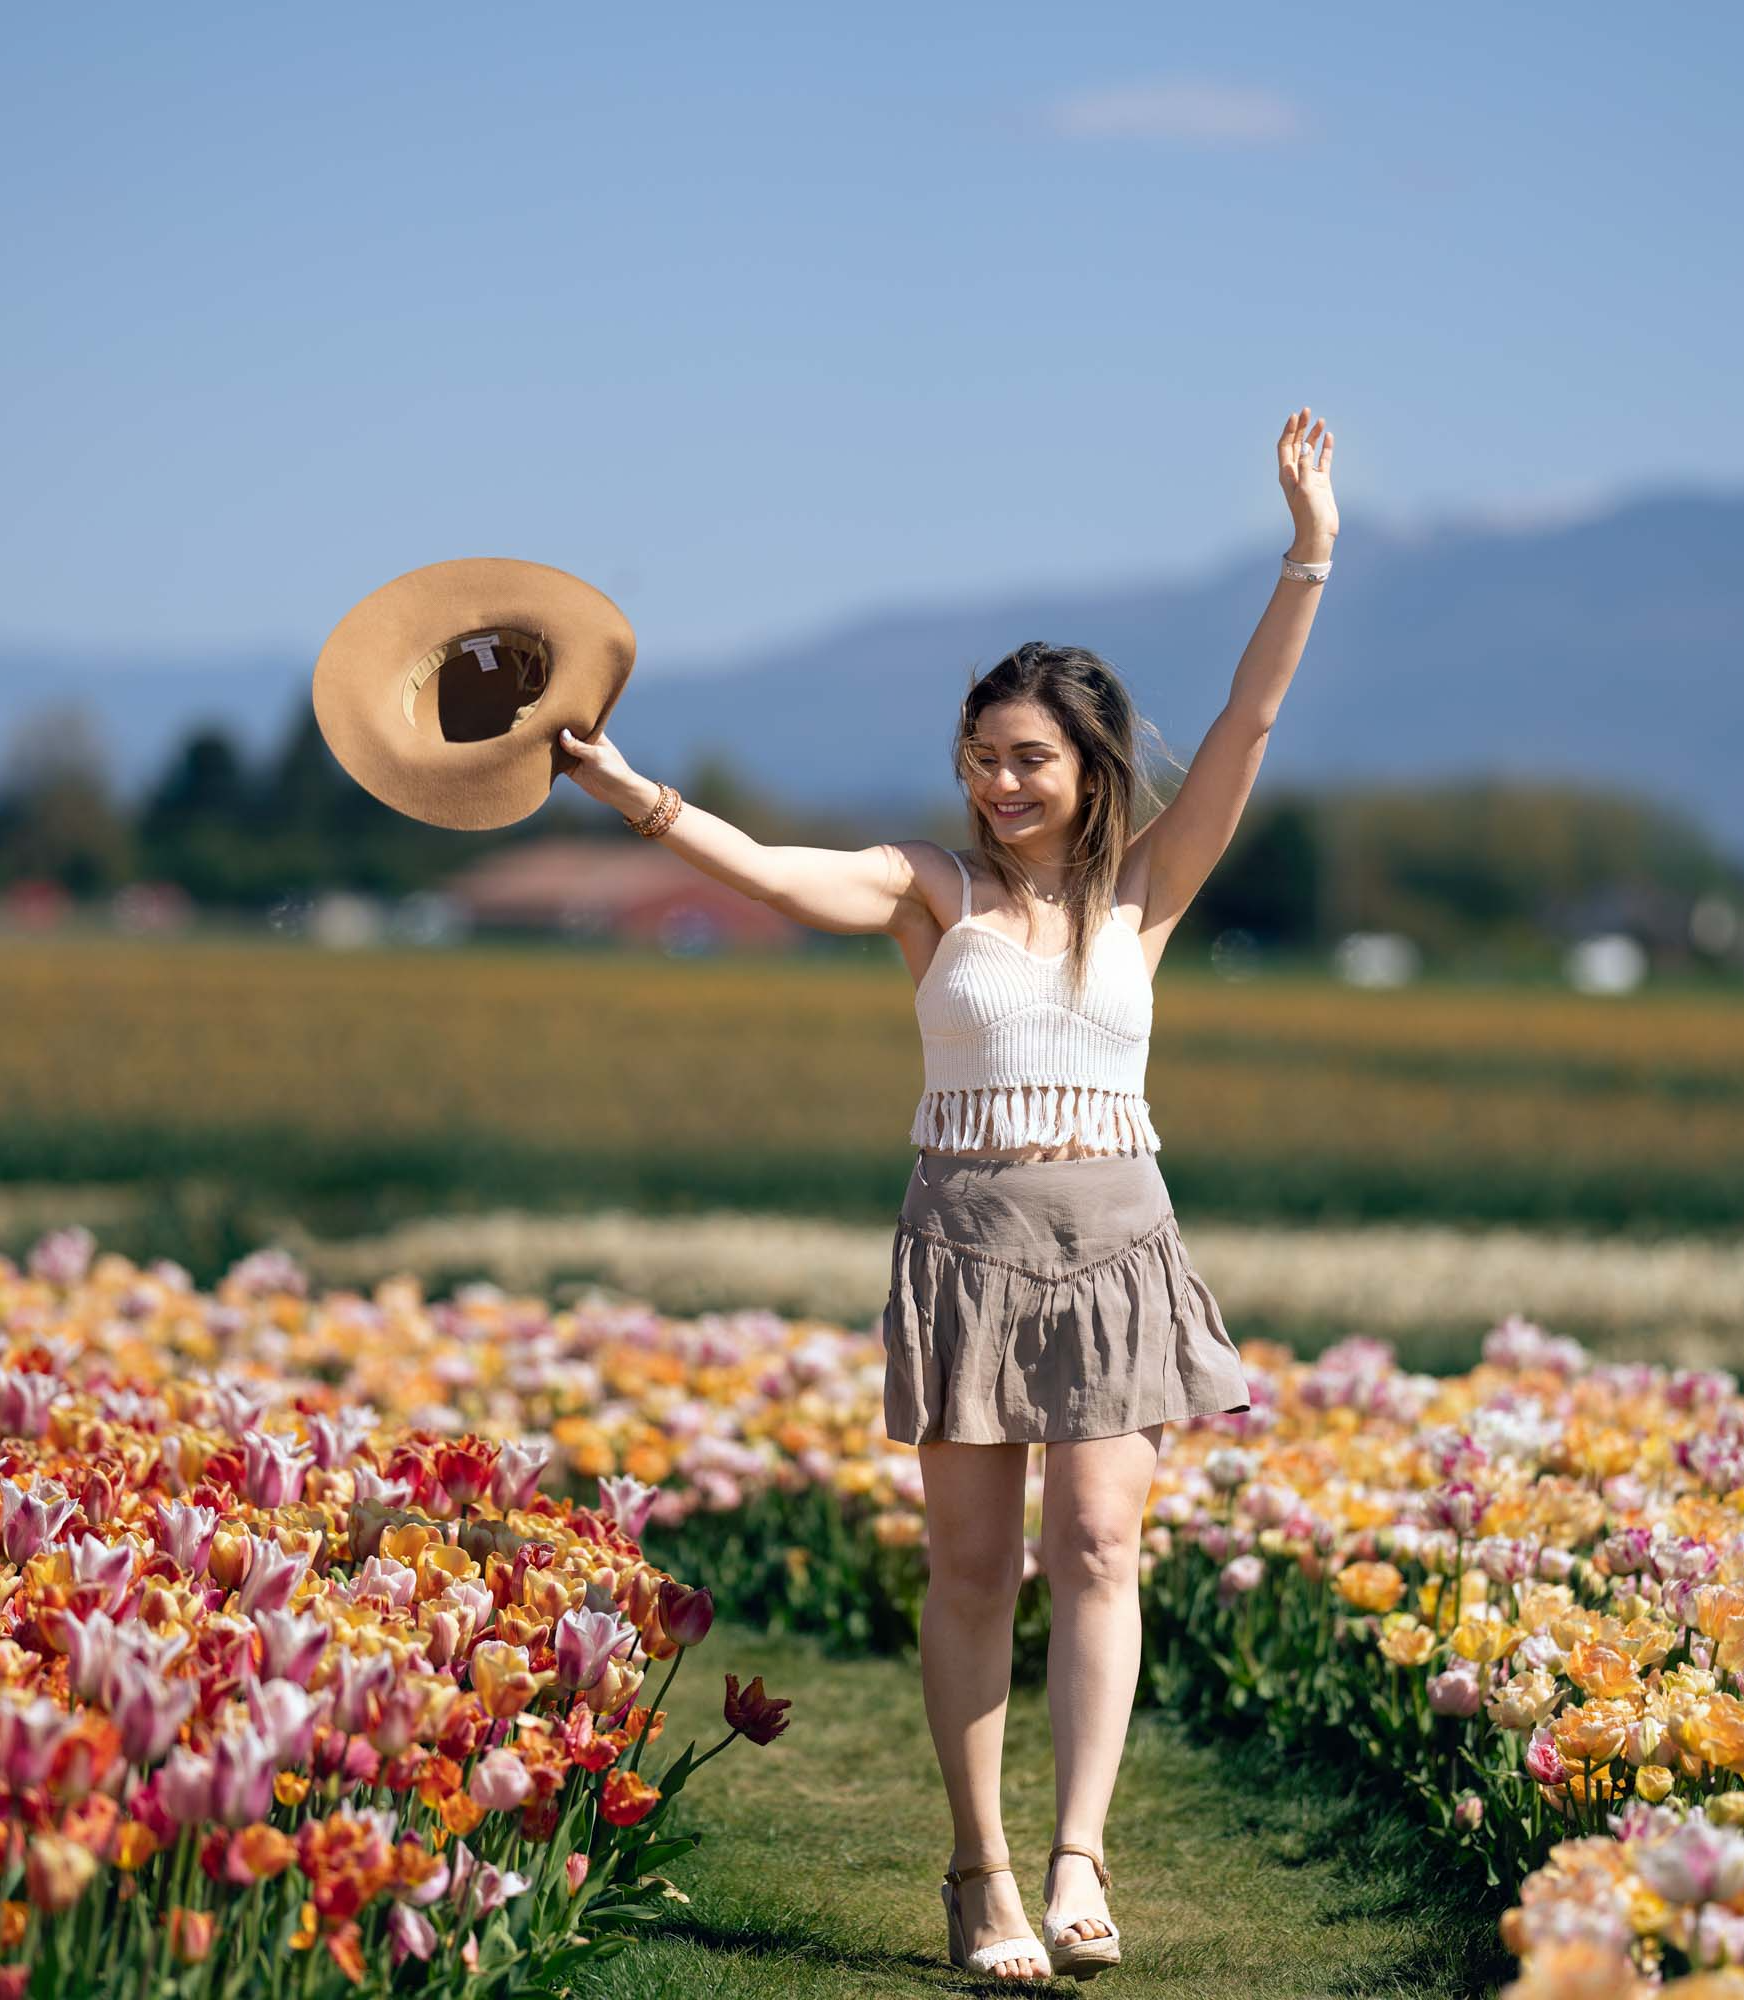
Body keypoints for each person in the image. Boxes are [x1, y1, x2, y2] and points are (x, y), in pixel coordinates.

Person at [556, 408, 1339, 1983]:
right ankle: (980, 1873)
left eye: (1028, 758)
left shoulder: (1147, 895)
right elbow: (777, 873)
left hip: (1119, 1238)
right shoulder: (933, 891)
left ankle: (1079, 1865)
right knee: (974, 1569)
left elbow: (1247, 728)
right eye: (980, 757)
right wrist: (631, 790)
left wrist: (1309, 554)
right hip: (969, 1240)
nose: (998, 783)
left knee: (1105, 1552)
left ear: (1090, 762)